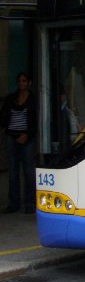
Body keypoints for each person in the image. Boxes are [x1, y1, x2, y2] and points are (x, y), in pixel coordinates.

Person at [1, 72, 37, 214]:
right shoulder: (11, 98)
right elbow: (3, 115)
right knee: (13, 172)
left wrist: (27, 134)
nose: (21, 84)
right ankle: (14, 203)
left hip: (26, 138)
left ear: (29, 83)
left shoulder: (33, 99)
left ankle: (30, 202)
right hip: (12, 136)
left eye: (24, 81)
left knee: (28, 171)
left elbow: (35, 120)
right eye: (19, 81)